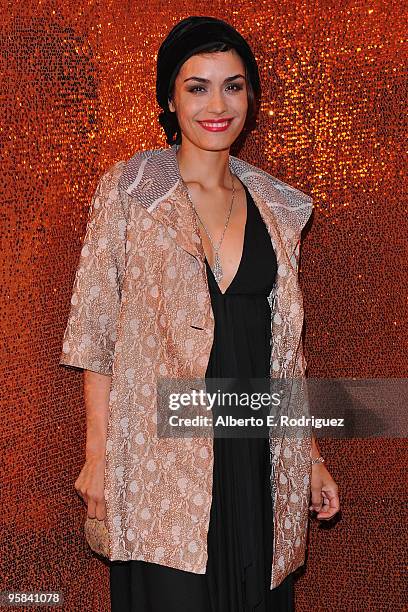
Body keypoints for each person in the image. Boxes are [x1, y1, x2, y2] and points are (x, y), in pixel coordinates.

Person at [60, 15, 340, 612]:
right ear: (169, 97)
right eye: (198, 86)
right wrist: (96, 457)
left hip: (258, 460)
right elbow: (95, 333)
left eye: (233, 85)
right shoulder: (132, 190)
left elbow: (286, 349)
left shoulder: (280, 207)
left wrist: (311, 456)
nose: (218, 104)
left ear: (251, 97)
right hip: (163, 461)